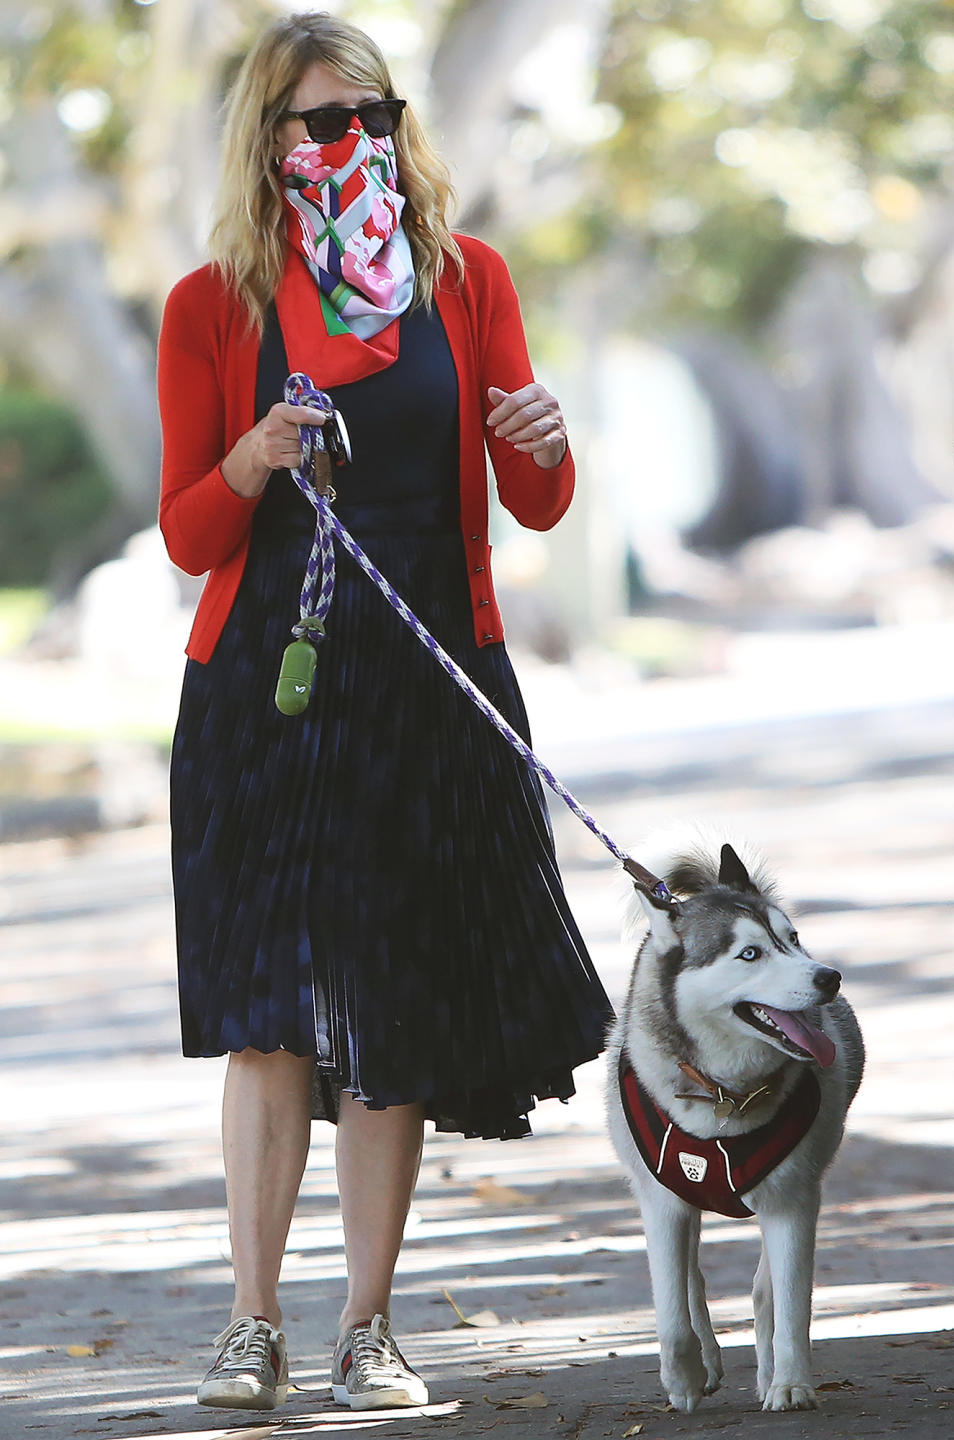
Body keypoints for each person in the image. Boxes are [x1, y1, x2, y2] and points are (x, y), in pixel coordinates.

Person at [157, 8, 612, 1416]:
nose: (348, 141)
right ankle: (251, 1326)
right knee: (268, 1022)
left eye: (370, 114)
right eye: (317, 120)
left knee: (395, 1014)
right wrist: (251, 453)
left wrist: (545, 445)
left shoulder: (464, 282)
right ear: (267, 138)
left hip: (433, 684)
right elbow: (187, 535)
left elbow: (533, 496)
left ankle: (367, 1330)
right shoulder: (213, 305)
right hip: (264, 698)